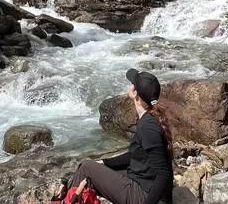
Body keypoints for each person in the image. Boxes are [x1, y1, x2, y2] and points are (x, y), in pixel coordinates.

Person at [64, 69, 174, 204]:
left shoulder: (148, 126)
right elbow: (135, 155)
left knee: (87, 168)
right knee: (91, 169)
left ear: (135, 93)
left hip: (145, 195)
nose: (130, 85)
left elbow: (163, 174)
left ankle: (66, 200)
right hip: (141, 183)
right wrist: (105, 163)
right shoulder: (150, 117)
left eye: (132, 83)